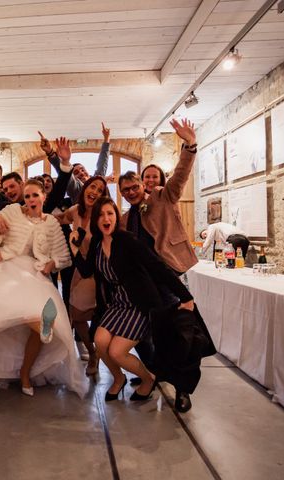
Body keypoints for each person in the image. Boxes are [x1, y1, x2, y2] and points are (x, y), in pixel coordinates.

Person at [0, 179, 87, 398]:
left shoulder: (51, 222)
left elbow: (61, 254)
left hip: (36, 271)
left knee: (41, 322)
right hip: (7, 267)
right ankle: (11, 363)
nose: (31, 200)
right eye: (28, 196)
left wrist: (52, 264)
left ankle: (26, 371)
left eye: (35, 195)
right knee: (13, 311)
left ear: (44, 196)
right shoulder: (13, 212)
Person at [71, 197, 194, 403]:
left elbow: (157, 267)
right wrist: (74, 248)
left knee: (117, 352)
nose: (105, 218)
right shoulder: (96, 243)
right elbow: (86, 271)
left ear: (116, 216)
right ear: (96, 220)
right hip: (116, 304)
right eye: (101, 214)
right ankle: (118, 380)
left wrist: (186, 296)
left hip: (139, 304)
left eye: (110, 213)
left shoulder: (126, 240)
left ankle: (149, 379)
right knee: (100, 342)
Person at [119, 117, 198, 412]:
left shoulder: (164, 197)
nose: (131, 192)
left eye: (134, 187)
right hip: (146, 285)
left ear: (142, 185)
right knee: (146, 333)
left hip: (172, 276)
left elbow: (180, 175)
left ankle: (182, 389)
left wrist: (189, 145)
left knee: (181, 334)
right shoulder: (126, 219)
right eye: (125, 190)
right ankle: (155, 372)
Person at [56, 176, 108, 376]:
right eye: (92, 186)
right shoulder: (76, 210)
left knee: (102, 317)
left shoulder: (103, 215)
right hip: (82, 270)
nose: (94, 191)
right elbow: (61, 218)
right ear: (84, 189)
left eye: (100, 190)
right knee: (77, 316)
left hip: (100, 270)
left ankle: (106, 355)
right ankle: (93, 353)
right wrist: (36, 215)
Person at [39, 123, 113, 204]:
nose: (81, 173)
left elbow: (102, 163)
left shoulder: (97, 179)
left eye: (82, 170)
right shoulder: (76, 189)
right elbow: (64, 172)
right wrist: (50, 153)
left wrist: (106, 139)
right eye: (76, 172)